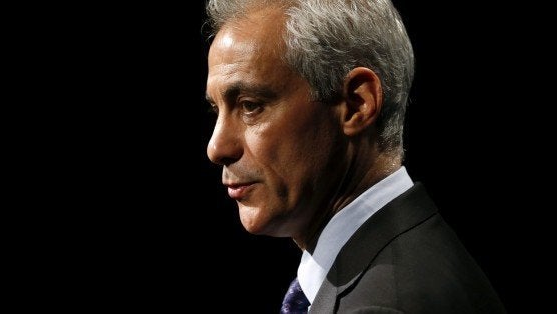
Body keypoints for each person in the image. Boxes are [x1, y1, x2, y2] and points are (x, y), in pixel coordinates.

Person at [203, 0, 506, 313]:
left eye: (250, 105)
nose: (216, 148)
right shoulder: (411, 253)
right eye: (216, 110)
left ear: (357, 104)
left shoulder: (383, 305)